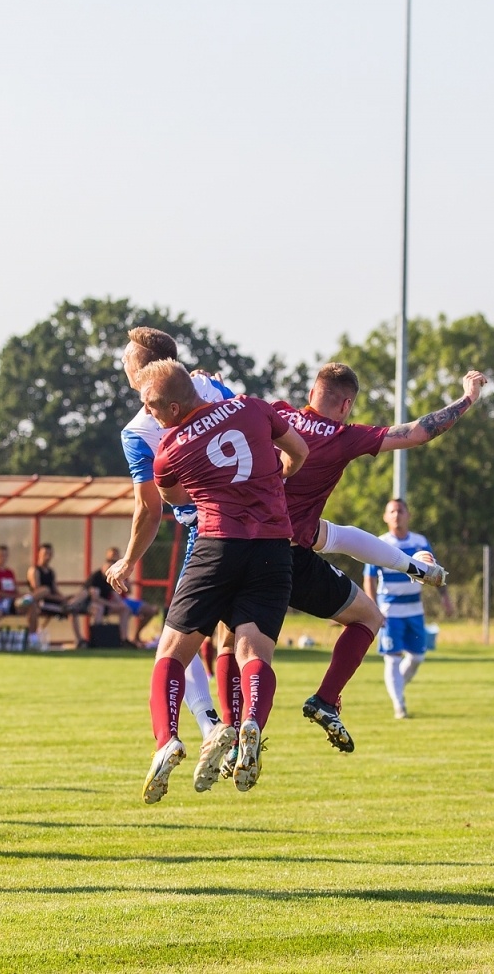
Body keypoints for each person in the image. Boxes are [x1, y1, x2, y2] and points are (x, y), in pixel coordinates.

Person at [275, 363, 482, 753]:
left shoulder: (276, 413)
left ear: (312, 392)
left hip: (234, 541)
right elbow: (418, 432)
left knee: (229, 644)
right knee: (369, 616)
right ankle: (324, 698)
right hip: (289, 553)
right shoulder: (342, 435)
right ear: (346, 404)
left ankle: (220, 725)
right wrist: (467, 399)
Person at [138, 359, 309, 803]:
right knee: (255, 650)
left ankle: (167, 740)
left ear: (174, 406)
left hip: (217, 546)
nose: (150, 414)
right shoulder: (252, 408)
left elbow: (176, 498)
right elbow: (300, 453)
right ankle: (251, 721)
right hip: (273, 545)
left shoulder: (169, 449)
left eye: (153, 407)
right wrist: (274, 477)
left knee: (171, 652)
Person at [104, 326, 235, 784]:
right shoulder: (211, 385)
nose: (121, 360)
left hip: (208, 532)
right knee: (238, 638)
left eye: (125, 355)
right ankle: (238, 726)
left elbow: (149, 508)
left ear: (140, 368)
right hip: (260, 523)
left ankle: (206, 728)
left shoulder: (138, 430)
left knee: (173, 644)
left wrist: (126, 560)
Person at [366, 499, 451, 718]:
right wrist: (372, 607)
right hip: (389, 611)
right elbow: (370, 577)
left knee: (417, 657)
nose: (396, 515)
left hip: (414, 609)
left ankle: (397, 689)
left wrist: (446, 598)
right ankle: (399, 705)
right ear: (385, 517)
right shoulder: (380, 543)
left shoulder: (420, 543)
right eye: (392, 511)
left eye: (400, 511)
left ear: (408, 515)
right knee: (393, 658)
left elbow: (435, 573)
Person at [86, 547, 156, 643]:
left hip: (124, 600)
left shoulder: (123, 570)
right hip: (113, 601)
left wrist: (123, 583)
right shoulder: (103, 574)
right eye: (111, 557)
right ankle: (113, 640)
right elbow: (107, 595)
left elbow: (128, 591)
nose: (113, 559)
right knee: (122, 608)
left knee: (151, 610)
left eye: (115, 556)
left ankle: (133, 638)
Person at [27, 543, 75, 648]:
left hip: (52, 601)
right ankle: (34, 637)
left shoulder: (51, 572)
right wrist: (58, 598)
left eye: (49, 554)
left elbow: (55, 589)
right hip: (41, 602)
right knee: (45, 591)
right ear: (39, 554)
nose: (47, 556)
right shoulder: (34, 570)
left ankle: (78, 640)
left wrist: (64, 598)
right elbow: (37, 590)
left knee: (73, 605)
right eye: (45, 553)